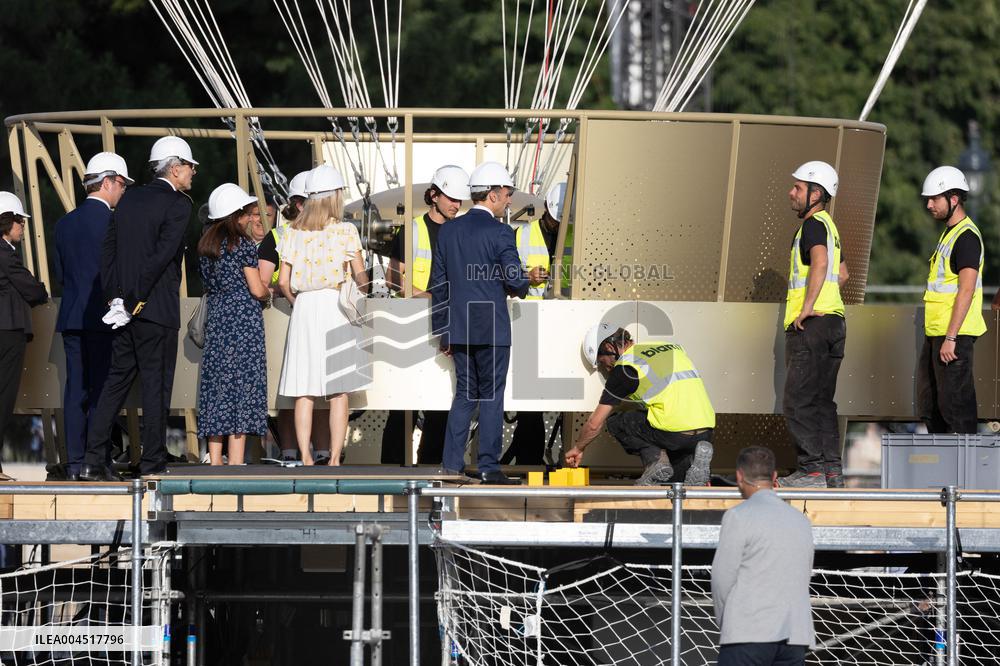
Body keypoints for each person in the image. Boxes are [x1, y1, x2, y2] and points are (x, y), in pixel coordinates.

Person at [80, 136, 197, 481]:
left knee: (115, 384)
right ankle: (152, 463)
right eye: (190, 167)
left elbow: (109, 252)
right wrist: (134, 299)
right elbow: (162, 256)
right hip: (154, 308)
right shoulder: (180, 204)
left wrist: (115, 298)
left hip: (123, 309)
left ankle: (91, 460)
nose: (192, 173)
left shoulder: (129, 199)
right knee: (155, 387)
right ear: (175, 168)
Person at [430, 161, 529, 484]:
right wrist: (523, 282)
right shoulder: (500, 232)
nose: (510, 200)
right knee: (490, 396)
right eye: (508, 193)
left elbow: (439, 283)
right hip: (493, 330)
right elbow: (515, 281)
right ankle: (487, 465)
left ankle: (450, 465)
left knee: (464, 396)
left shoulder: (448, 230)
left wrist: (443, 332)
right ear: (494, 194)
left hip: (459, 329)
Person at [276, 164, 369, 466]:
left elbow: (282, 282)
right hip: (334, 306)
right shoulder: (346, 231)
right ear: (334, 197)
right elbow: (363, 279)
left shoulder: (292, 233)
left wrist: (297, 300)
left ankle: (304, 455)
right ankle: (334, 458)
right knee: (338, 390)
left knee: (304, 389)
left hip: (304, 307)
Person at [381, 165, 470, 465]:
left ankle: (431, 465)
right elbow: (394, 278)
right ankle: (392, 468)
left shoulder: (461, 231)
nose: (456, 205)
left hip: (446, 322)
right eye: (450, 198)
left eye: (460, 199)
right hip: (412, 323)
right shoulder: (412, 230)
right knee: (402, 402)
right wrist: (429, 296)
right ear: (434, 195)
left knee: (441, 401)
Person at [53, 153, 132, 480]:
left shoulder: (63, 223)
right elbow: (120, 273)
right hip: (104, 316)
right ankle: (96, 462)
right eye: (123, 184)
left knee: (75, 392)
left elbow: (61, 273)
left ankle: (74, 464)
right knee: (102, 390)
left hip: (72, 317)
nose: (124, 191)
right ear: (109, 181)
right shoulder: (115, 222)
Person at [564, 323, 715, 486]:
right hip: (705, 431)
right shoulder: (666, 347)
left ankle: (655, 462)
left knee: (616, 421)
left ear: (609, 347)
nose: (604, 368)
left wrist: (579, 448)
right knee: (675, 484)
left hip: (674, 433)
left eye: (601, 361)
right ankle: (695, 464)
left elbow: (594, 424)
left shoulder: (626, 367)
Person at [779, 161, 850, 489]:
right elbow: (843, 274)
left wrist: (807, 308)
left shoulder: (812, 226)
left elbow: (820, 262)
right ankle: (831, 471)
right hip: (834, 322)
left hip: (814, 324)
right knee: (822, 401)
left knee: (797, 401)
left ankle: (811, 471)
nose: (791, 193)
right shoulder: (830, 227)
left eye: (798, 187)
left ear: (815, 193)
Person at [712, 446, 814, 665]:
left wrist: (727, 623)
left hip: (749, 632)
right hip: (794, 634)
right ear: (775, 477)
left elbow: (722, 579)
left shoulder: (738, 516)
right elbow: (804, 575)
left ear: (739, 476)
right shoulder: (801, 521)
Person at [256, 171, 330, 462]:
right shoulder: (277, 237)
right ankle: (290, 453)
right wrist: (292, 292)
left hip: (304, 315)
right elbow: (264, 281)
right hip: (282, 318)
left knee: (320, 390)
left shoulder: (325, 233)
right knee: (289, 392)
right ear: (300, 204)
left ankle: (320, 453)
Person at [196, 184, 270, 465]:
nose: (250, 218)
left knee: (217, 386)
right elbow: (256, 288)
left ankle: (215, 459)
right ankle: (236, 463)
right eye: (246, 214)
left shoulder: (206, 246)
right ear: (235, 216)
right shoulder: (243, 246)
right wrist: (267, 291)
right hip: (243, 321)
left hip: (218, 318)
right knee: (241, 385)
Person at [506, 182, 573, 465]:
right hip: (526, 326)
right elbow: (505, 275)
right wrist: (526, 276)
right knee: (530, 404)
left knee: (552, 402)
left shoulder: (576, 237)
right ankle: (528, 462)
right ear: (546, 210)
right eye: (556, 220)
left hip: (563, 328)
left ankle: (535, 460)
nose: (558, 227)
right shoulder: (521, 235)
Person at [918, 166, 985, 434]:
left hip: (953, 338)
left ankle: (963, 476)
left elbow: (966, 289)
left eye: (935, 198)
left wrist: (952, 337)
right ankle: (944, 472)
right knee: (933, 408)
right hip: (939, 334)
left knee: (956, 408)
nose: (929, 204)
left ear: (954, 199)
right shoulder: (949, 234)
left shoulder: (966, 237)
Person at [0, 193, 49, 480]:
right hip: (8, 333)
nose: (22, 227)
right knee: (4, 398)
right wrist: (41, 290)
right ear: (6, 221)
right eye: (19, 221)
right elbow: (31, 289)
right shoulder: (5, 253)